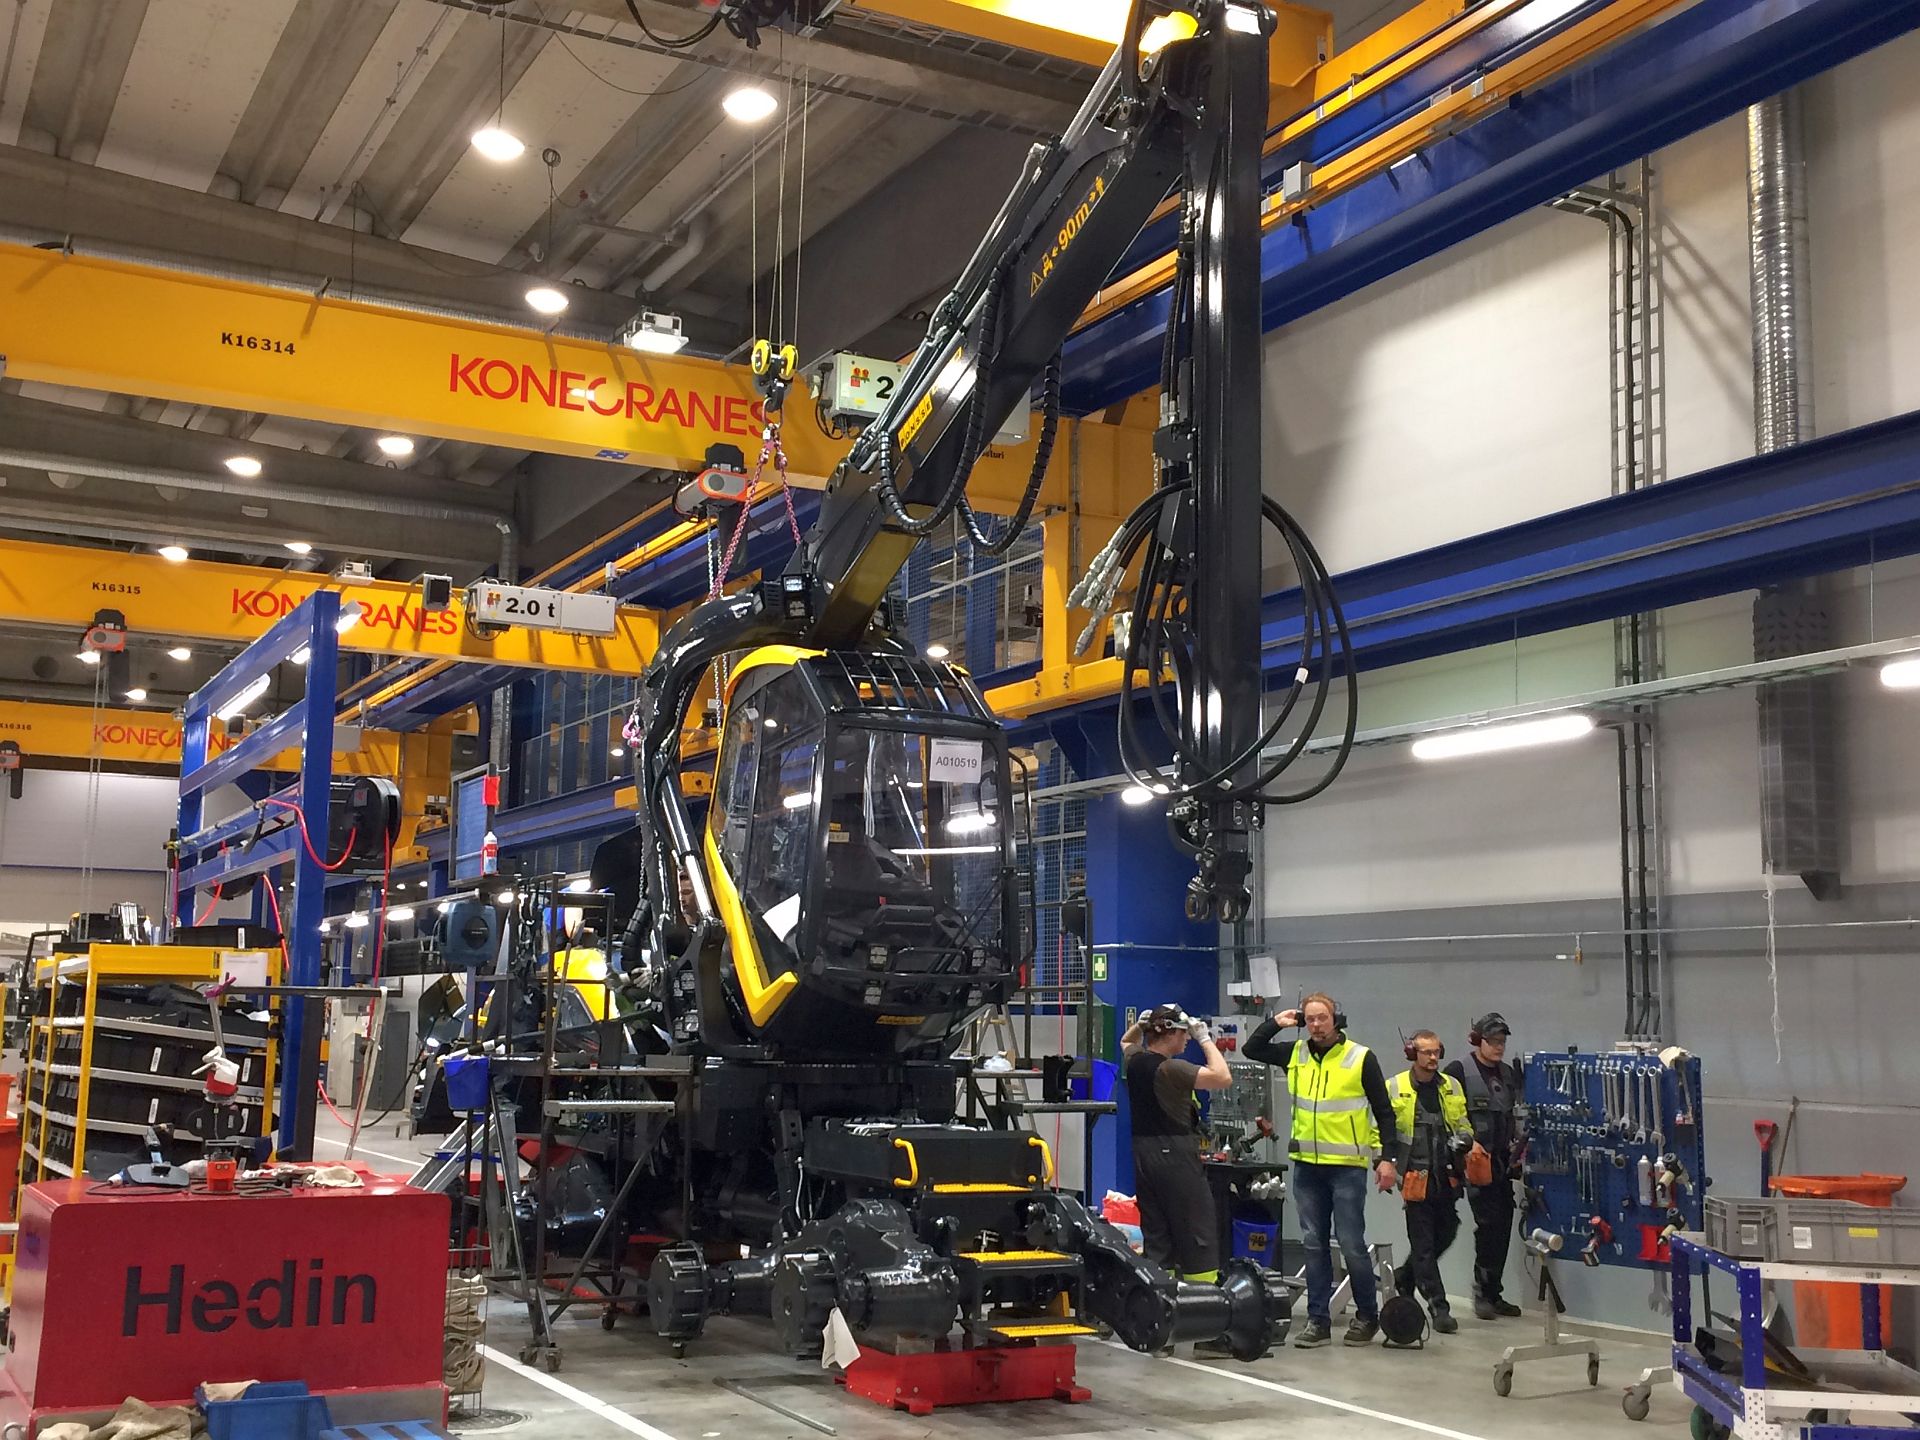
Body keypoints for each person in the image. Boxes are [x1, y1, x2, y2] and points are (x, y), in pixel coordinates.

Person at [1243, 994, 1399, 1347]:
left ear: (1335, 1019)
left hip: (1346, 1168)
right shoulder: (1295, 1054)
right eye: (1309, 1019)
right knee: (1313, 1244)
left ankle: (1367, 1315)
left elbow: (1384, 1112)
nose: (1316, 1025)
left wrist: (1387, 1158)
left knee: (1351, 1244)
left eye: (1322, 1018)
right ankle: (1318, 1321)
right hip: (1307, 1167)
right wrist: (1276, 1022)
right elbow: (1252, 1049)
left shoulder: (1360, 1058)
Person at [1121, 1004, 1234, 1281]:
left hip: (1142, 1154)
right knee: (1197, 1228)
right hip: (1174, 1155)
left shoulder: (1135, 1060)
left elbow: (1126, 1041)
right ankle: (1204, 1297)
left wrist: (1139, 1025)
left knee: (1157, 1232)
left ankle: (1161, 1295)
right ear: (1170, 1033)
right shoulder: (1171, 1068)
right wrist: (1205, 1039)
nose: (1187, 1039)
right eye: (1185, 1033)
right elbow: (1222, 1077)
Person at [1388, 1030, 1471, 1333]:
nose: (1433, 1057)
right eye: (1426, 1052)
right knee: (1422, 1244)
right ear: (1412, 1054)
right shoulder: (1395, 1087)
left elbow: (1462, 1122)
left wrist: (1466, 1138)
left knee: (1447, 1232)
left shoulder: (1451, 1086)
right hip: (1415, 1177)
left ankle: (1406, 1277)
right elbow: (1380, 1130)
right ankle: (1439, 1307)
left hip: (1446, 1176)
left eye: (1436, 1052)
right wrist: (1385, 1165)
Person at [1445, 1012, 1526, 1319]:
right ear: (1477, 1040)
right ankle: (1482, 1292)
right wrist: (1464, 1149)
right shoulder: (1458, 1071)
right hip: (1474, 1162)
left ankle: (1494, 1293)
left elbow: (1515, 1114)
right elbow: (1448, 1114)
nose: (1499, 1046)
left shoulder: (1508, 1074)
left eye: (1502, 1041)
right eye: (1492, 1041)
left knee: (1503, 1226)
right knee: (1489, 1225)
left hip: (1503, 1163)